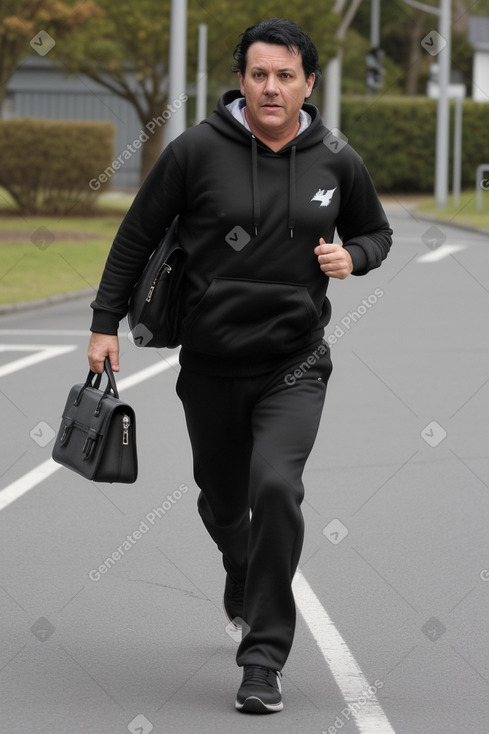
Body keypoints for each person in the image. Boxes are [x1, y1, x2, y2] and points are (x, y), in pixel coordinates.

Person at [88, 17, 393, 715]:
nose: (271, 88)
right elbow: (136, 236)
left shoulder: (335, 156)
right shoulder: (197, 150)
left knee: (277, 487)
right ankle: (239, 559)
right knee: (224, 502)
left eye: (286, 75)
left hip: (294, 362)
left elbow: (375, 230)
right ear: (241, 80)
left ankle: (261, 658)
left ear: (308, 83)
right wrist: (103, 325)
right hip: (209, 365)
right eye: (258, 74)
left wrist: (356, 257)